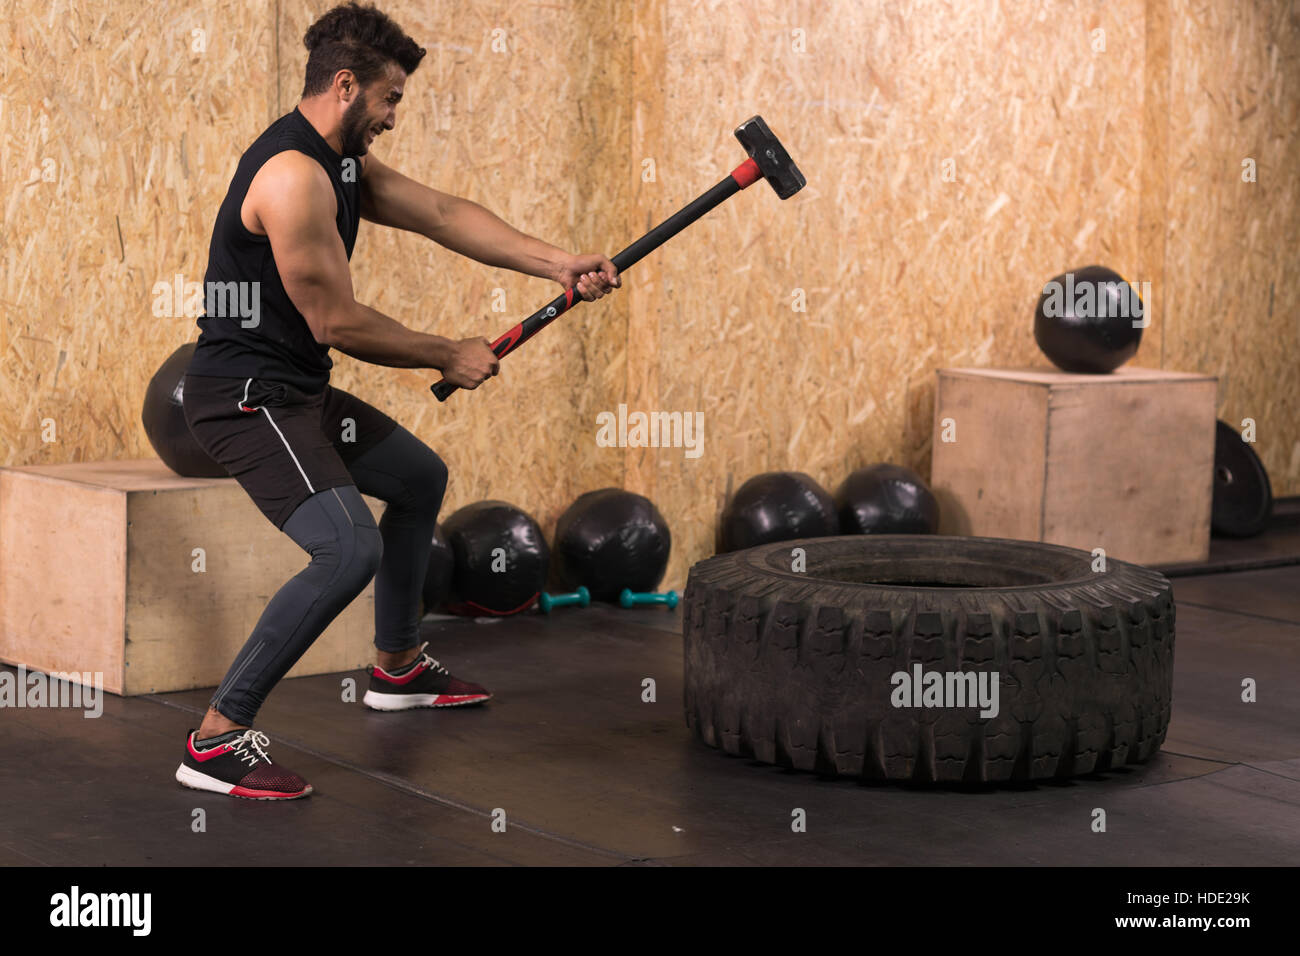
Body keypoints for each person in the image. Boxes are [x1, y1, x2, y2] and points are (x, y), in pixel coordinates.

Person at [175, 1, 619, 800]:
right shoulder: (292, 177)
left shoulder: (341, 162)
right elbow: (335, 320)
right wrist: (449, 351)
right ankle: (216, 737)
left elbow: (444, 214)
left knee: (418, 478)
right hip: (245, 398)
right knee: (347, 549)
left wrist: (556, 263)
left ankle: (399, 666)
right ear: (346, 86)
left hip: (298, 388)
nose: (392, 118)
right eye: (390, 100)